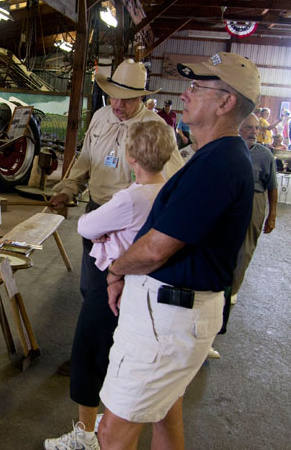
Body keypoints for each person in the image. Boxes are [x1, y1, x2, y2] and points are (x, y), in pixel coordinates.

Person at [97, 52, 258, 450]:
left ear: (225, 102)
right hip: (174, 315)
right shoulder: (213, 157)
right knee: (166, 418)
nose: (184, 96)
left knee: (113, 431)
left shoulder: (218, 164)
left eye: (197, 88)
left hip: (167, 319)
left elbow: (155, 249)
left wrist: (116, 268)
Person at [46, 59, 184, 450]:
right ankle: (102, 367)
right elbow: (85, 162)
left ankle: (105, 381)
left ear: (142, 97)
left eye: (127, 99)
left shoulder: (157, 133)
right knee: (94, 297)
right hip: (99, 218)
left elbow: (172, 185)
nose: (118, 104)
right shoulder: (101, 119)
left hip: (131, 230)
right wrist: (68, 189)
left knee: (120, 308)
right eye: (113, 96)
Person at [232, 114, 277, 299]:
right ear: (239, 128)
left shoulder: (265, 155)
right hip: (230, 198)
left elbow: (273, 187)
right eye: (250, 127)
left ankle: (232, 290)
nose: (254, 132)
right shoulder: (230, 148)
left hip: (254, 199)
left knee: (246, 247)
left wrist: (272, 215)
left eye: (257, 128)